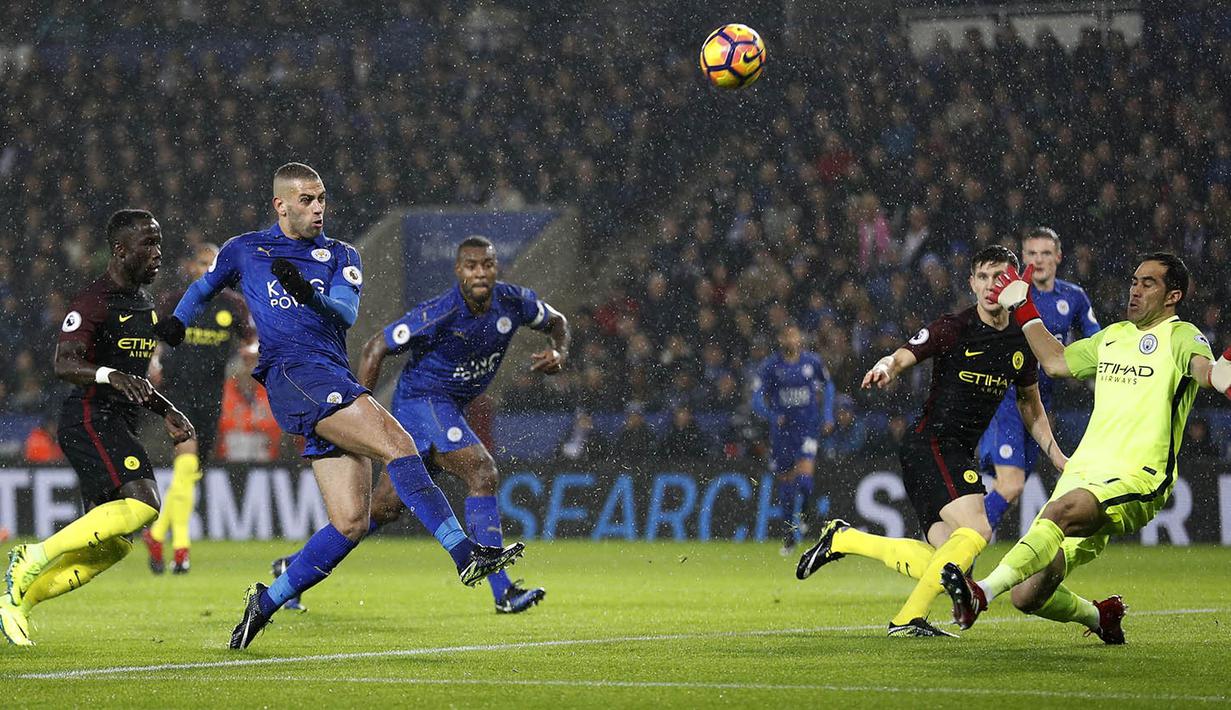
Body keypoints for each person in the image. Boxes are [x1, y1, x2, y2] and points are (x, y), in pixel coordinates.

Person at [156, 163, 523, 649]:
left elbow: (347, 312)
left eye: (322, 198)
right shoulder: (246, 250)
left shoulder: (340, 255)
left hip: (331, 375)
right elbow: (203, 287)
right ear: (280, 205)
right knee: (400, 445)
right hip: (292, 374)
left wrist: (306, 292)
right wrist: (177, 324)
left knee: (351, 521)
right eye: (306, 200)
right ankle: (465, 555)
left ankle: (264, 602)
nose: (318, 208)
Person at [942, 253, 1229, 644]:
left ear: (1172, 296)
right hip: (1083, 472)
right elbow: (1055, 361)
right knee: (1027, 595)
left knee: (1059, 511)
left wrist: (1218, 373)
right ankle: (1100, 616)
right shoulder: (1112, 336)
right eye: (1134, 280)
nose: (1135, 289)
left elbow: (1204, 370)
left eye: (1149, 283)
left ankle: (982, 593)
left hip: (1138, 475)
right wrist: (1023, 306)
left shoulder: (1181, 336)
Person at [277, 236, 570, 615]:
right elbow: (374, 348)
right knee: (482, 471)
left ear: (497, 268)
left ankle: (290, 568)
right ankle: (503, 591)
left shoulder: (514, 302)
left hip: (446, 410)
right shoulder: (440, 312)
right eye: (471, 265)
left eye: (487, 265)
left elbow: (558, 322)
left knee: (379, 511)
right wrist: (356, 415)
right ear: (458, 271)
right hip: (422, 402)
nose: (480, 272)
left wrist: (560, 351)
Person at [796, 245, 1067, 638]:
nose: (993, 285)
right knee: (978, 531)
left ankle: (844, 538)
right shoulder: (953, 327)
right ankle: (906, 620)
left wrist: (1056, 454)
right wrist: (886, 366)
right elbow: (906, 354)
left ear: (1016, 283)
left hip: (951, 452)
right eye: (985, 277)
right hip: (933, 445)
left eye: (1002, 277)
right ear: (972, 283)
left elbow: (1032, 407)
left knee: (947, 564)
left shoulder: (1021, 341)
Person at [0, 210, 195, 646]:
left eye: (159, 242)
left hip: (118, 418)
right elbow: (63, 363)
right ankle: (31, 555)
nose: (158, 253)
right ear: (120, 250)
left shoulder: (145, 306)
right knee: (145, 503)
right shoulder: (94, 300)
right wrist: (108, 376)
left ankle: (16, 604)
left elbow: (137, 380)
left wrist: (167, 411)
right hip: (88, 416)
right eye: (148, 244)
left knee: (115, 545)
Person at [977, 227, 1101, 531]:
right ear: (1023, 257)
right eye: (1032, 254)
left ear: (1058, 256)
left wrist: (1080, 365)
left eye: (1046, 253)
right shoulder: (1012, 294)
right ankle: (956, 549)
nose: (1039, 260)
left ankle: (960, 541)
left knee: (1009, 491)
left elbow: (1097, 342)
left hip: (1040, 406)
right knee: (1011, 484)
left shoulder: (1073, 297)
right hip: (1005, 399)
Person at [142, 243, 255, 574]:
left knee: (188, 475)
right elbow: (153, 336)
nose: (208, 268)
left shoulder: (232, 305)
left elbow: (251, 339)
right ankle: (181, 549)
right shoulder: (175, 300)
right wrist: (154, 360)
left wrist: (252, 353)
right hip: (177, 395)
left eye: (214, 263)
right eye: (203, 262)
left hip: (211, 397)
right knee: (186, 467)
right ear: (191, 265)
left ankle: (158, 533)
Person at [752, 323, 835, 554]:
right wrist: (771, 415)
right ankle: (789, 535)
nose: (790, 339)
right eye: (786, 335)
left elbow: (828, 387)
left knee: (805, 480)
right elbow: (756, 398)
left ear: (800, 338)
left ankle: (806, 510)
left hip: (806, 429)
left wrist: (827, 414)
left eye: (794, 334)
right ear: (780, 339)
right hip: (783, 434)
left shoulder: (812, 362)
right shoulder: (771, 366)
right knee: (786, 488)